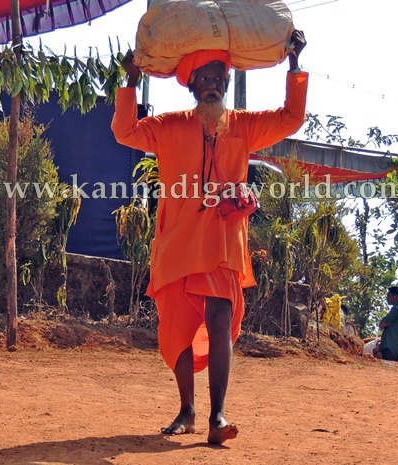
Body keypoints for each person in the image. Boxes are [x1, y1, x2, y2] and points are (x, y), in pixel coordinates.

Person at [111, 31, 308, 445]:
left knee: (220, 318)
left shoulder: (245, 126)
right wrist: (129, 81)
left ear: (227, 81)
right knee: (175, 332)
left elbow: (291, 117)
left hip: (222, 240)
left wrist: (293, 65)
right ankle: (188, 409)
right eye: (204, 77)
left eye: (219, 75)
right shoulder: (168, 126)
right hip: (177, 242)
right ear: (190, 84)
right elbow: (125, 131)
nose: (213, 83)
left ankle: (218, 416)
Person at [373, 286, 398, 361]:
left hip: (390, 349)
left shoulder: (396, 309)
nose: (387, 298)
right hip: (394, 349)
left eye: (388, 295)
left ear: (395, 296)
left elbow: (381, 325)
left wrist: (384, 324)